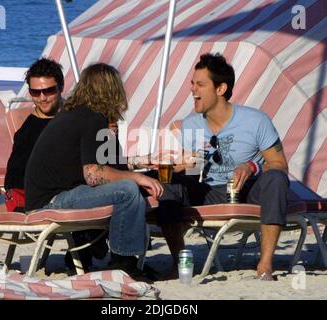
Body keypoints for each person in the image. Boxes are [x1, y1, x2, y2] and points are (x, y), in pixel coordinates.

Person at [24, 63, 164, 278]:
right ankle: (124, 262)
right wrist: (136, 177)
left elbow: (112, 166)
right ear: (111, 90)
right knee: (127, 189)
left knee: (129, 185)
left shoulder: (79, 115)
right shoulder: (91, 117)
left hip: (58, 194)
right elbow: (94, 173)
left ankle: (103, 255)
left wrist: (127, 157)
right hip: (50, 201)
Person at [159, 52, 290, 280]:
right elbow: (192, 167)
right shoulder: (190, 124)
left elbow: (279, 164)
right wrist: (179, 167)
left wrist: (251, 167)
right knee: (169, 183)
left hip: (248, 190)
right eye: (192, 84)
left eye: (200, 84)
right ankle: (180, 263)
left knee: (276, 178)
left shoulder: (256, 120)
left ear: (220, 89)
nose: (193, 90)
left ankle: (265, 264)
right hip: (210, 191)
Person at [4, 57, 64, 212]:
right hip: (48, 201)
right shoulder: (27, 133)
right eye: (35, 92)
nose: (42, 98)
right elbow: (14, 180)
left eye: (49, 91)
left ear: (61, 87)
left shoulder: (75, 118)